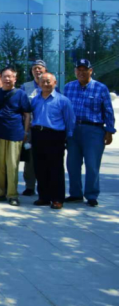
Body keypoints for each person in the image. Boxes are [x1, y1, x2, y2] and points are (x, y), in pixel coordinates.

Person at [64, 59, 115, 207]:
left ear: (90, 71)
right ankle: (75, 194)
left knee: (92, 165)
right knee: (72, 164)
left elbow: (108, 111)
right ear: (75, 71)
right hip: (73, 130)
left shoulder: (100, 88)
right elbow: (64, 110)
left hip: (93, 130)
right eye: (78, 70)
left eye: (84, 70)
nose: (81, 72)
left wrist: (109, 131)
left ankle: (91, 195)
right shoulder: (68, 87)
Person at [31, 73, 75, 209]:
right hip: (38, 134)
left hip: (55, 136)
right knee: (40, 167)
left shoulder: (63, 100)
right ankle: (43, 197)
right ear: (39, 83)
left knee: (55, 168)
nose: (45, 84)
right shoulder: (35, 100)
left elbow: (70, 120)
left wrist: (68, 137)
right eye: (43, 81)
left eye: (48, 81)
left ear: (55, 83)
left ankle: (57, 198)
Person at [0, 67, 32, 206]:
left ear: (15, 78)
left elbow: (27, 115)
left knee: (12, 165)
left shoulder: (21, 94)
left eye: (10, 76)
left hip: (15, 133)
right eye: (5, 76)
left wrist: (25, 132)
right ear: (0, 78)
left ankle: (12, 194)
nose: (7, 79)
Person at [20, 59, 50, 197]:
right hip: (30, 128)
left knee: (45, 158)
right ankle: (30, 186)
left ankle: (45, 187)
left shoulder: (51, 85)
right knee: (30, 160)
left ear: (45, 70)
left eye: (40, 68)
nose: (37, 70)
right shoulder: (25, 87)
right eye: (34, 69)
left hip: (47, 129)